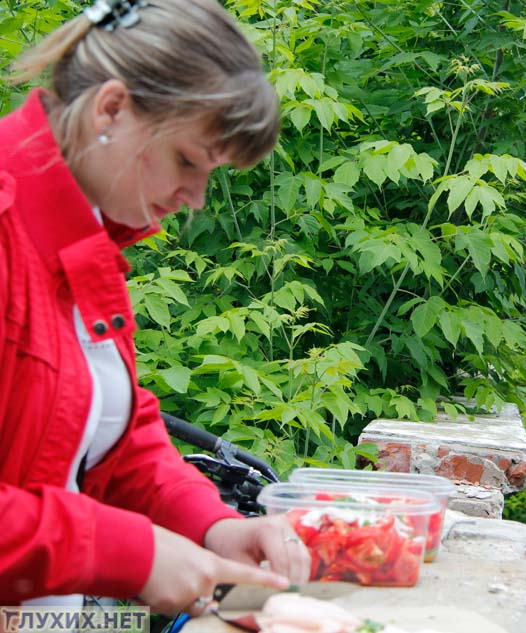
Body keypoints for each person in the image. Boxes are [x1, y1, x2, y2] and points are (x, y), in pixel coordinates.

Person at [0, 0, 310, 615]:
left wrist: (214, 525)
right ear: (110, 108)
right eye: (187, 162)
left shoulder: (86, 239)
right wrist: (135, 553)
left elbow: (117, 437)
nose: (195, 197)